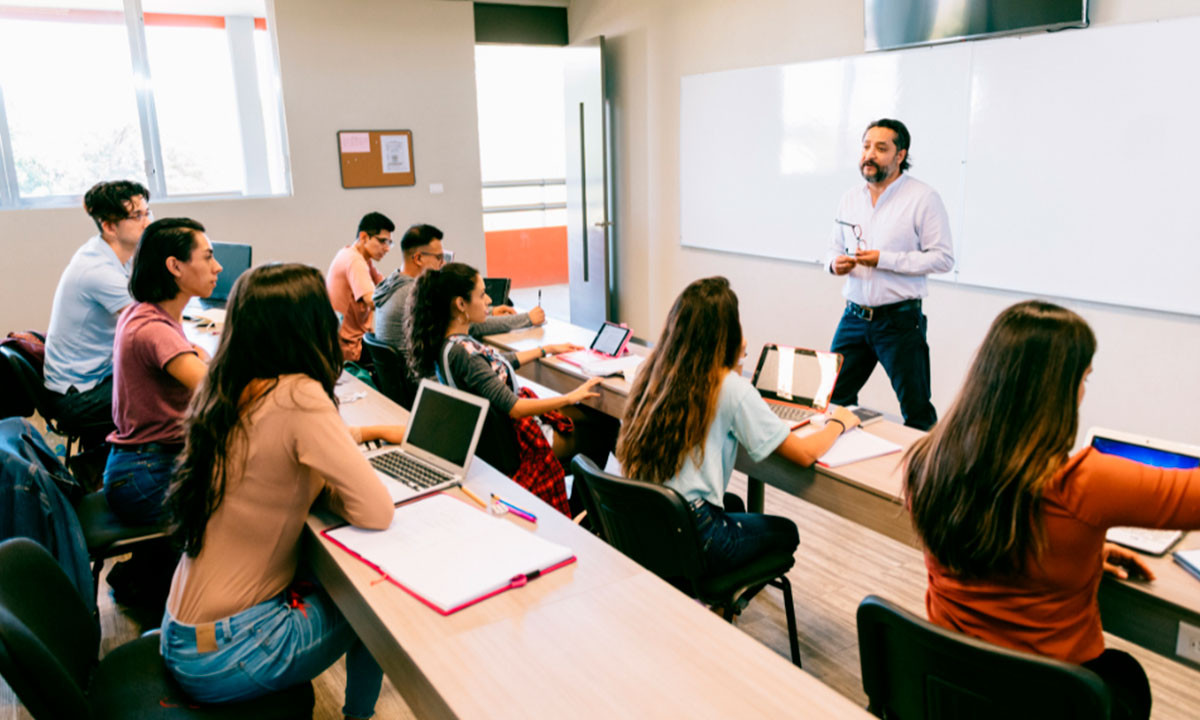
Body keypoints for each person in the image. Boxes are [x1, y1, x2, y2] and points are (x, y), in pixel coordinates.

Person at [904, 300, 1200, 720]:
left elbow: (994, 537)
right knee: (1124, 675)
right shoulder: (1085, 484)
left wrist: (1078, 552)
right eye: (1084, 379)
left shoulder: (926, 461)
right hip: (1046, 705)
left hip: (951, 689)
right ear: (1057, 390)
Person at [161, 263, 403, 719]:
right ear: (311, 326)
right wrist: (331, 488)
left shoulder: (227, 386)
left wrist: (341, 460)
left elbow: (279, 451)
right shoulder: (299, 395)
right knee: (374, 603)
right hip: (228, 651)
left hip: (183, 631)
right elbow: (376, 511)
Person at [616, 276, 860, 576]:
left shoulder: (654, 370)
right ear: (727, 333)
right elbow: (805, 454)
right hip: (695, 533)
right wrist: (838, 423)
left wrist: (734, 360)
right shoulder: (729, 387)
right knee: (786, 532)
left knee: (733, 504)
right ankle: (715, 595)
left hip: (648, 521)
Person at [408, 262, 607, 516]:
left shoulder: (448, 344)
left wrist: (545, 350)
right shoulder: (465, 354)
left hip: (497, 440)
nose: (489, 301)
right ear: (460, 304)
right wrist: (570, 397)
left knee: (591, 417)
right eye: (482, 295)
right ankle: (580, 512)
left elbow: (496, 366)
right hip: (517, 444)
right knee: (603, 428)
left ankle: (580, 509)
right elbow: (515, 408)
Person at [825, 119, 953, 431]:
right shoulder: (850, 198)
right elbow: (833, 248)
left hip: (899, 322)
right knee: (833, 399)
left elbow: (943, 258)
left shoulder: (923, 198)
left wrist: (884, 260)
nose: (870, 154)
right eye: (866, 146)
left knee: (916, 410)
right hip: (854, 317)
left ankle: (924, 463)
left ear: (900, 155)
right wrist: (834, 264)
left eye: (881, 148)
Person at [104, 218, 220, 527]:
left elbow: (197, 358)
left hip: (138, 465)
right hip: (147, 475)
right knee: (256, 495)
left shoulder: (143, 312)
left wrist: (201, 358)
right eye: (208, 257)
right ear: (175, 266)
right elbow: (218, 391)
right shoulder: (154, 329)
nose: (218, 267)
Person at [43, 180, 152, 445]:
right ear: (109, 226)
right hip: (79, 398)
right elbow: (150, 325)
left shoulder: (113, 255)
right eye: (137, 216)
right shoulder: (98, 271)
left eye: (147, 212)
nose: (147, 222)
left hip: (96, 377)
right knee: (167, 389)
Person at [373, 223, 544, 352]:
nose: (443, 264)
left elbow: (456, 315)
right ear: (418, 258)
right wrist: (527, 318)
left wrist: (490, 311)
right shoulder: (414, 294)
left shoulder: (393, 283)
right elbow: (468, 324)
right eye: (439, 258)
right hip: (424, 381)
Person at [327, 212, 393, 362]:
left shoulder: (358, 256)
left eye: (389, 243)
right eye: (383, 241)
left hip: (350, 341)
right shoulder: (354, 260)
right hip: (349, 348)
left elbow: (385, 285)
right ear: (364, 237)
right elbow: (373, 301)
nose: (387, 248)